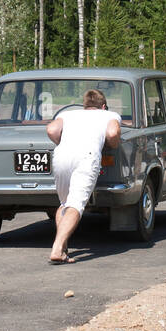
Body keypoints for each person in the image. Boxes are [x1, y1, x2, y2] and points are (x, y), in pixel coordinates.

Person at [45, 88, 121, 263]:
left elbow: (51, 130)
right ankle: (57, 248)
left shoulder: (68, 114)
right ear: (103, 106)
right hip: (86, 157)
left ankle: (63, 248)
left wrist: (63, 143)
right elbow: (112, 134)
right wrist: (113, 144)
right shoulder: (109, 115)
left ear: (85, 105)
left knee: (64, 204)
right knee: (76, 204)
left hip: (62, 155)